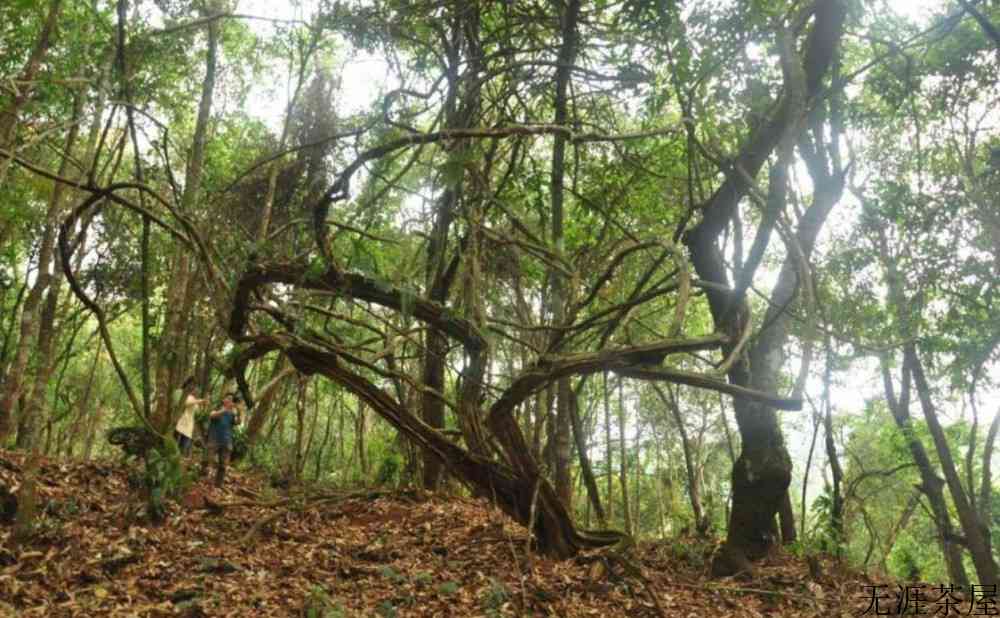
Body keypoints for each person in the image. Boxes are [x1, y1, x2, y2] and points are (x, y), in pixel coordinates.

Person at [203, 393, 239, 487]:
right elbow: (212, 416)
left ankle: (218, 485)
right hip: (214, 439)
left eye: (232, 400)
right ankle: (206, 482)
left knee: (223, 465)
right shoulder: (217, 409)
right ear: (224, 400)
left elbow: (238, 422)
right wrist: (225, 410)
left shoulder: (232, 414)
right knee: (209, 461)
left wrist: (240, 410)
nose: (230, 401)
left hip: (226, 441)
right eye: (228, 399)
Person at [173, 377, 206, 456]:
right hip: (178, 423)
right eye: (192, 384)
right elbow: (180, 403)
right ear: (187, 383)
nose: (193, 387)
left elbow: (198, 414)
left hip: (188, 427)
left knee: (183, 449)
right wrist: (198, 401)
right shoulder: (179, 392)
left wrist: (204, 406)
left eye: (195, 386)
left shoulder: (193, 398)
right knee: (173, 447)